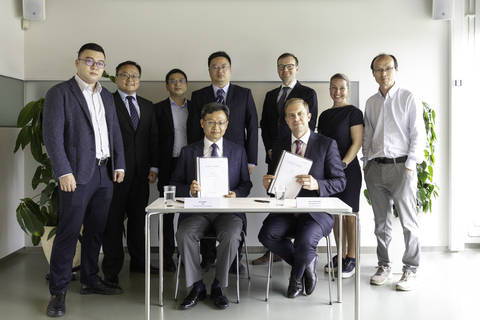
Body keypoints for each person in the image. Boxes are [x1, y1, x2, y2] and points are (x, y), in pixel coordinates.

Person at [42, 43, 125, 317]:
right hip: (75, 176)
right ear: (77, 63)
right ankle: (58, 292)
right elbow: (52, 136)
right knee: (68, 233)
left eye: (100, 63)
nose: (94, 66)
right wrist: (63, 172)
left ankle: (90, 279)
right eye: (89, 61)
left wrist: (119, 164)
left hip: (104, 173)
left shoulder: (107, 96)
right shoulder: (60, 93)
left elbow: (114, 133)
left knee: (95, 231)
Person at [258, 98, 346, 299]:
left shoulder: (326, 144)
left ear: (308, 117)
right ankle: (307, 264)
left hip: (316, 211)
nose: (296, 118)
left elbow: (340, 182)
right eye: (291, 115)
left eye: (299, 114)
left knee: (305, 241)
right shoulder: (279, 144)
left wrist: (318, 184)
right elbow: (274, 187)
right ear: (286, 121)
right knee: (266, 235)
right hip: (287, 209)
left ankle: (295, 279)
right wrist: (269, 185)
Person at [171, 102, 252, 310]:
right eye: (211, 122)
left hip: (227, 211)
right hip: (198, 211)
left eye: (220, 122)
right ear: (202, 123)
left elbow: (246, 183)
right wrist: (189, 190)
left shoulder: (238, 151)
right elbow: (176, 182)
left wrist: (237, 193)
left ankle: (218, 285)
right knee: (184, 233)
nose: (216, 127)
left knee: (233, 234)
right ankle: (197, 286)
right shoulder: (188, 151)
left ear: (226, 125)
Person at [188, 51, 258, 273]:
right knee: (206, 203)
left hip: (235, 160)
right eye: (215, 67)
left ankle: (234, 259)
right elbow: (193, 128)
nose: (220, 71)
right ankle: (207, 257)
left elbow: (252, 127)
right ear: (209, 71)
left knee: (232, 206)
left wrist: (251, 161)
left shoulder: (244, 94)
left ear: (230, 70)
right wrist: (195, 160)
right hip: (206, 158)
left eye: (224, 66)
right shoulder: (198, 95)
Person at [362, 53, 426, 291]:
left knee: (409, 223)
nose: (383, 73)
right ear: (373, 74)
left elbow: (418, 133)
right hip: (375, 168)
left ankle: (411, 270)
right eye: (378, 70)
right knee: (381, 223)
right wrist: (366, 162)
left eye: (387, 68)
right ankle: (384, 266)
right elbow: (368, 134)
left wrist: (410, 164)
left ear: (396, 70)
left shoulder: (408, 97)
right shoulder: (371, 102)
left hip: (402, 168)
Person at [255, 52, 318, 266]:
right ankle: (273, 249)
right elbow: (265, 126)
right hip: (277, 156)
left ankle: (298, 251)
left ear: (297, 68)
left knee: (300, 198)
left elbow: (310, 124)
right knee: (276, 201)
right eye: (281, 66)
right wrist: (271, 150)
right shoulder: (271, 94)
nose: (285, 70)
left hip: (300, 156)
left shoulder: (308, 92)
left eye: (289, 66)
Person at [102, 61, 160, 285]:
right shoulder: (107, 102)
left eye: (134, 76)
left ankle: (139, 262)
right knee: (113, 222)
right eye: (124, 75)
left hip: (142, 174)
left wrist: (154, 167)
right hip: (114, 173)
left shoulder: (147, 105)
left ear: (139, 80)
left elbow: (153, 138)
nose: (129, 79)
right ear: (116, 78)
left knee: (138, 220)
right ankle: (111, 269)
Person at [317, 73, 364, 278]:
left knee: (351, 215)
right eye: (334, 88)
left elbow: (357, 142)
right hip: (330, 173)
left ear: (348, 90)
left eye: (342, 88)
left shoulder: (354, 112)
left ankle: (352, 257)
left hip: (349, 170)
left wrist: (342, 164)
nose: (337, 92)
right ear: (329, 89)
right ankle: (341, 254)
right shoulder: (324, 115)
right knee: (336, 215)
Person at [154, 68, 193, 272]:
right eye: (172, 81)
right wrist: (154, 167)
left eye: (181, 80)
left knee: (192, 211)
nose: (177, 84)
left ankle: (189, 254)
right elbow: (154, 140)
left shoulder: (196, 108)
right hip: (168, 164)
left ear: (186, 84)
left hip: (192, 166)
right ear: (167, 86)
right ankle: (167, 255)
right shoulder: (157, 109)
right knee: (167, 212)